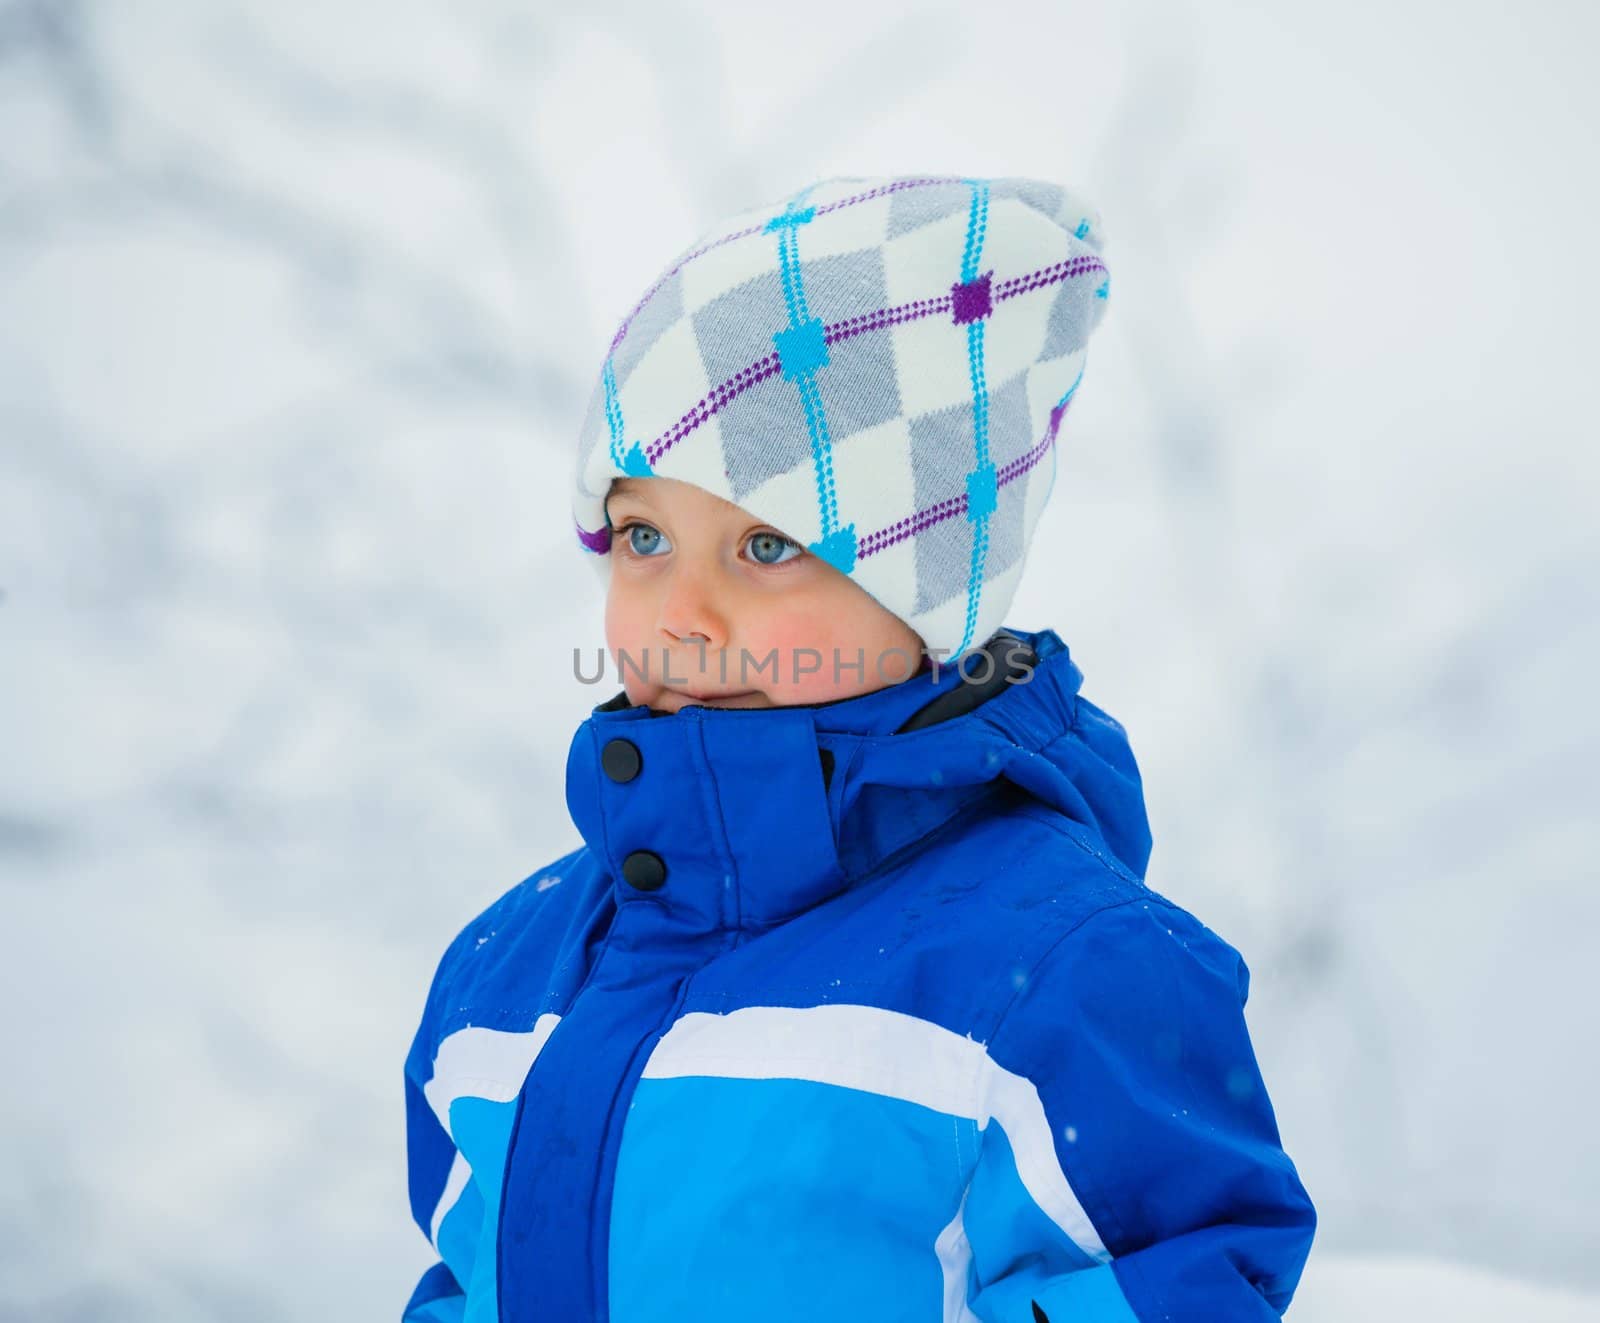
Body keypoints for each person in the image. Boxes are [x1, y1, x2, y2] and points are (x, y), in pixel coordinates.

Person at [401, 173, 1316, 1322]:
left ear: (930, 591)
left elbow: (1164, 1284)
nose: (682, 612)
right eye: (642, 536)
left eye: (768, 546)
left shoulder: (1057, 971)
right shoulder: (508, 974)